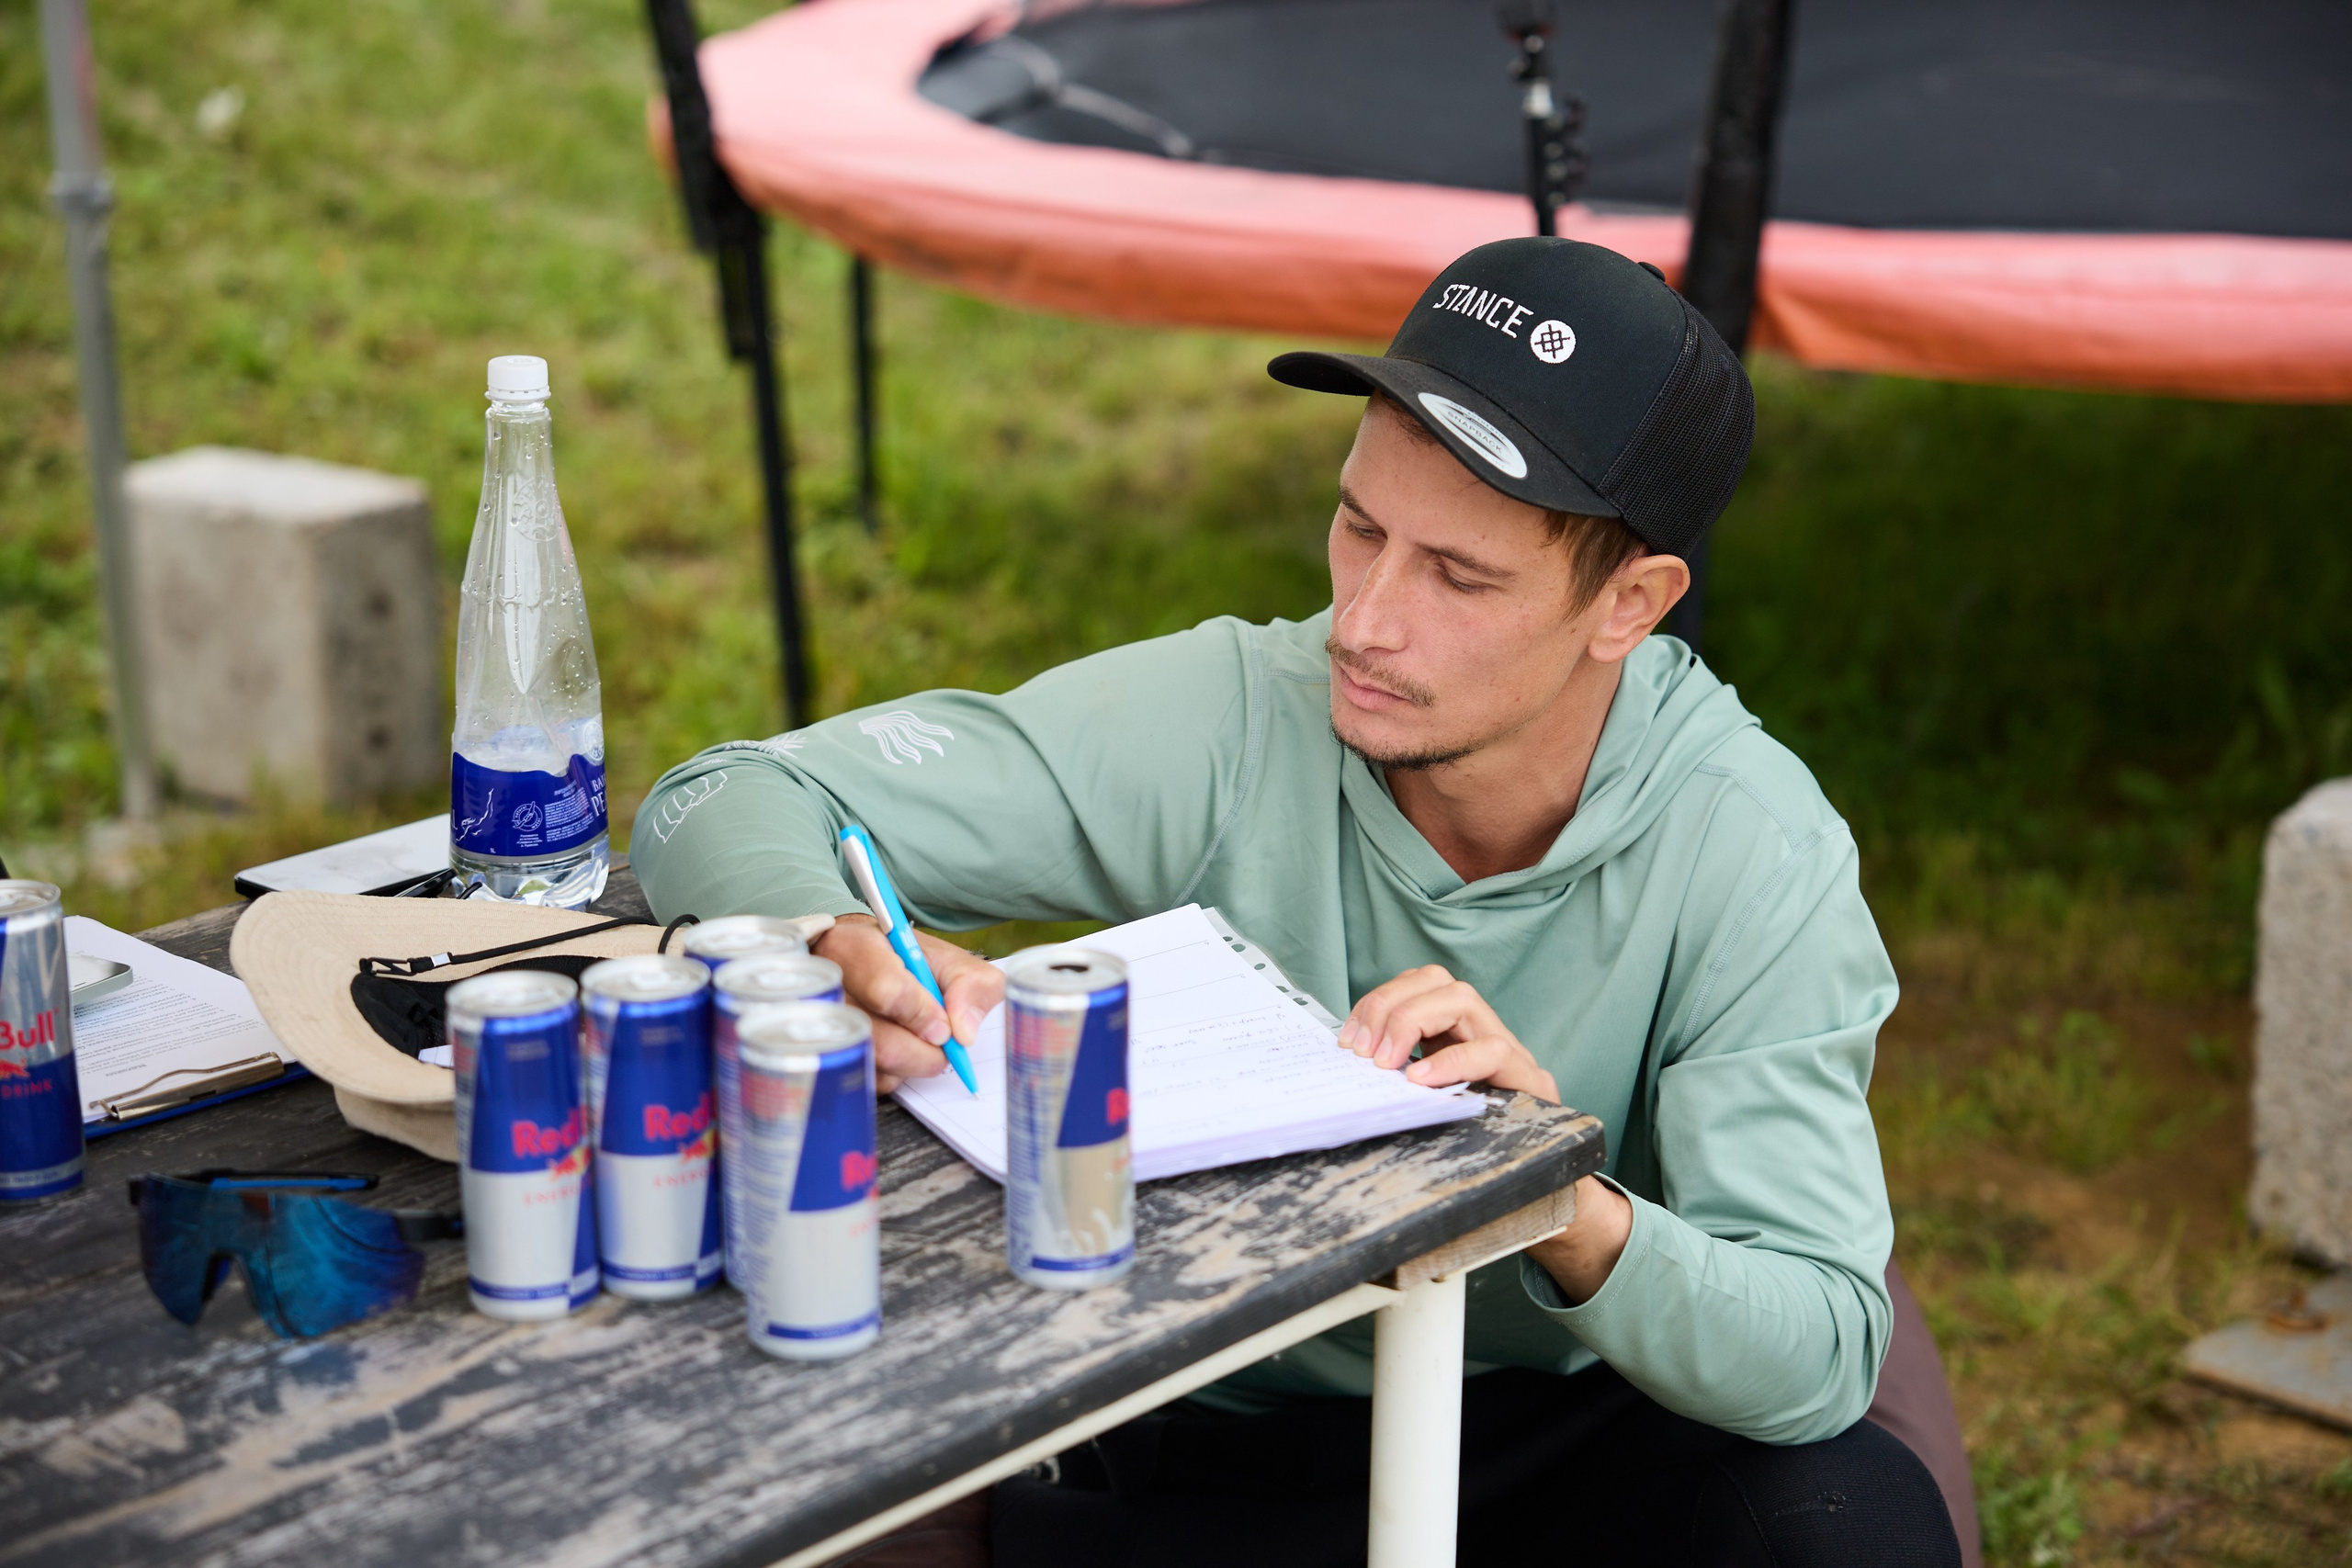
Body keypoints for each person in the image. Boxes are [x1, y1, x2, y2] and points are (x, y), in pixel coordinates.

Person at [633, 238, 1968, 1566]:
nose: (1366, 622)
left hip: (1578, 1425)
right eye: (1360, 526)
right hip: (1226, 1425)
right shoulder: (1235, 716)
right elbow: (718, 796)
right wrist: (832, 932)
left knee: (1851, 1526)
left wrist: (1548, 1182)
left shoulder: (1748, 841)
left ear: (1629, 603)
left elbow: (1818, 1348)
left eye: (1457, 574)